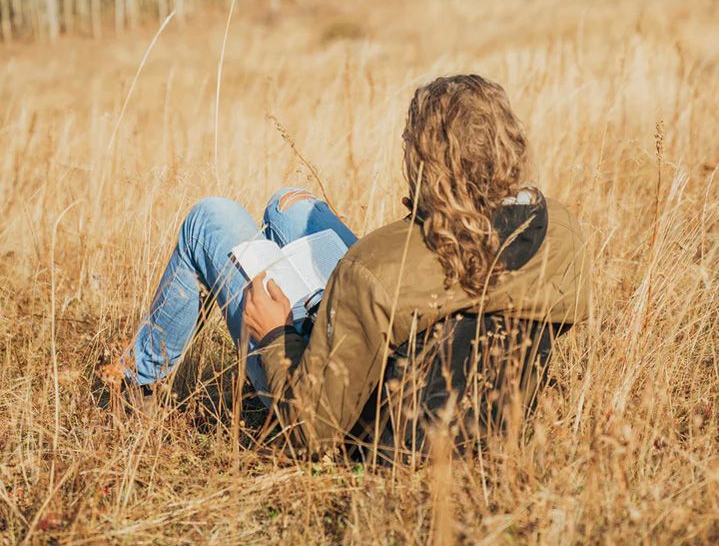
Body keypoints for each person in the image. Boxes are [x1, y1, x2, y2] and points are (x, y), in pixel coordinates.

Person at [104, 74, 588, 460]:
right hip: (421, 356)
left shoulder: (372, 267)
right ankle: (288, 260)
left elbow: (311, 430)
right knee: (290, 205)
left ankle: (134, 383)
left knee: (210, 218)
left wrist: (273, 336)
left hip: (347, 402)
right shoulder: (560, 229)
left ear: (425, 165)